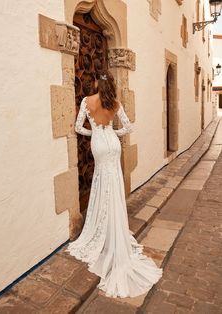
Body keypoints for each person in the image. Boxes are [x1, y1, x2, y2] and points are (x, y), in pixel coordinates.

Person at [65, 70, 163, 298]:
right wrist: (112, 130)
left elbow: (78, 128)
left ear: (97, 82)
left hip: (99, 143)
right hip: (112, 142)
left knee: (101, 183)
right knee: (114, 184)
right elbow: (129, 127)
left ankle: (102, 227)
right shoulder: (115, 103)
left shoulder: (87, 101)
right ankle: (114, 228)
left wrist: (94, 132)